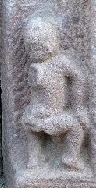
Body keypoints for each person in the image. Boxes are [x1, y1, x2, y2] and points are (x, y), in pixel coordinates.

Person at [22, 15, 88, 171]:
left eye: (40, 47)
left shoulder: (47, 65)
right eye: (32, 47)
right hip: (51, 116)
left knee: (31, 127)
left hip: (37, 115)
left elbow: (78, 77)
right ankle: (69, 158)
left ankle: (34, 159)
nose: (36, 51)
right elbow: (78, 76)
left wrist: (78, 106)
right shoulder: (43, 66)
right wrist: (78, 108)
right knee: (76, 127)